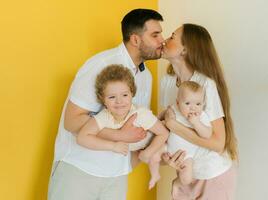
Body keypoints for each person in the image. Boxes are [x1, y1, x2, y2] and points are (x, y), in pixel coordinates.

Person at [48, 8, 164, 200]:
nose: (162, 40)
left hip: (116, 175)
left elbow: (135, 127)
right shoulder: (101, 64)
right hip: (80, 169)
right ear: (135, 39)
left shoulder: (146, 77)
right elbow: (71, 120)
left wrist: (153, 150)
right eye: (155, 35)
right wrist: (119, 135)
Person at [160, 23, 238, 199]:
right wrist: (167, 158)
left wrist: (174, 126)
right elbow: (168, 133)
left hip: (213, 175)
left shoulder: (206, 84)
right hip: (186, 174)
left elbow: (218, 143)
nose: (164, 40)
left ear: (185, 50)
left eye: (172, 37)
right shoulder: (167, 82)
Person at [77, 64, 169, 190]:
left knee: (155, 156)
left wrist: (148, 152)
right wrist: (113, 146)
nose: (119, 101)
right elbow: (82, 138)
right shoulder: (105, 116)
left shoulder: (140, 115)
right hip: (140, 150)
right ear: (103, 99)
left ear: (132, 94)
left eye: (125, 95)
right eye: (112, 97)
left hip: (163, 144)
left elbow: (164, 133)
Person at [166, 81, 212, 186]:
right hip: (166, 147)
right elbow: (165, 115)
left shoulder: (201, 117)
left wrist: (196, 123)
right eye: (187, 103)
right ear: (178, 103)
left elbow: (207, 134)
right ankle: (155, 174)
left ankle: (177, 183)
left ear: (203, 104)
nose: (193, 108)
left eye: (198, 104)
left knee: (186, 179)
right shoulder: (175, 109)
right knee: (153, 156)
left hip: (186, 154)